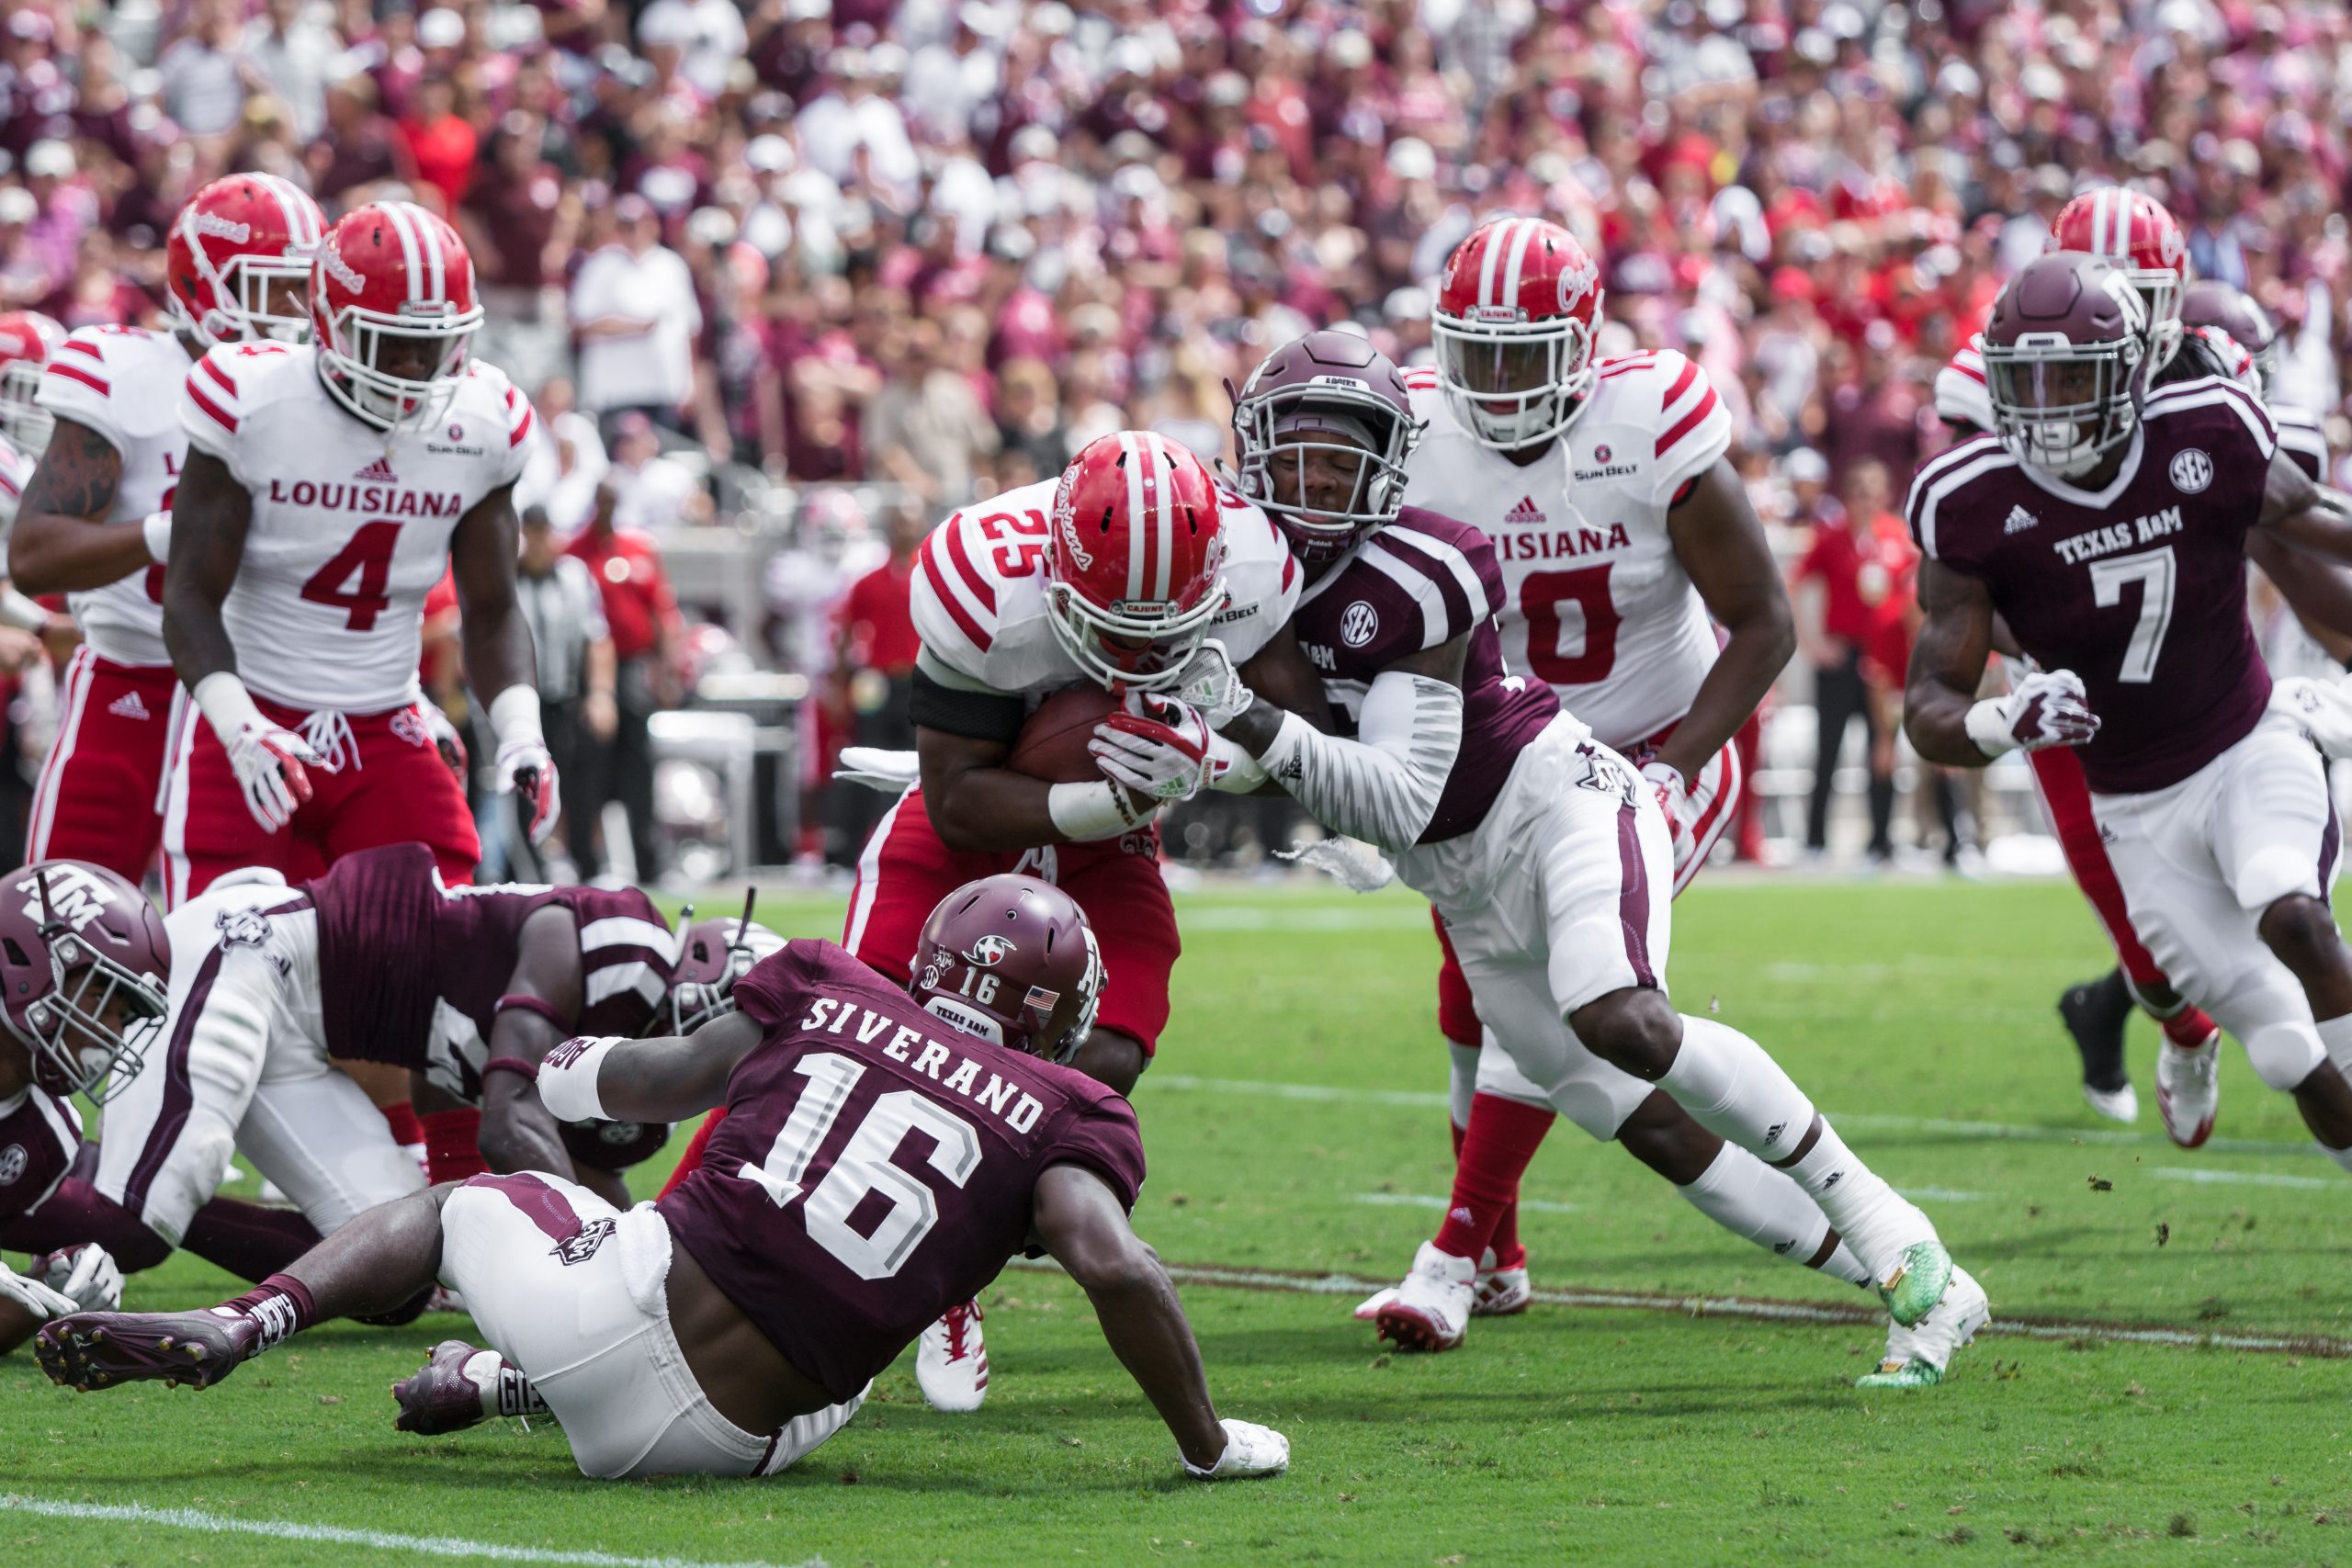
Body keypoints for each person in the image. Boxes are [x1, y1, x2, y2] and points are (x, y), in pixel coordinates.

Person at [1192, 329, 1983, 1388]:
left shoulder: (1426, 564)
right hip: (1459, 883)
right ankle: (1921, 1288)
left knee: (1621, 1014)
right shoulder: (1237, 573)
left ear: (1389, 460)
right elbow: (1276, 756)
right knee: (1636, 1123)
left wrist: (1240, 719)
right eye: (1296, 452)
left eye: (1344, 455)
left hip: (1556, 802)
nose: (1316, 478)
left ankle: (1891, 1225)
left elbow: (1395, 789)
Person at [38, 874, 1292, 1488]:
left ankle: (241, 1316)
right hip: (715, 1446)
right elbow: (1112, 1260)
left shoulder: (824, 983)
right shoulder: (1073, 1103)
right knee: (851, 1352)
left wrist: (554, 1070)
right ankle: (498, 1384)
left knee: (454, 1205)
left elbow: (652, 1080)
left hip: (609, 1308)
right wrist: (1204, 1439)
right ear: (1060, 1014)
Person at [666, 431, 1313, 1413]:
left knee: (1109, 1061)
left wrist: (1218, 762)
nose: (1138, 650)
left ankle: (945, 1274)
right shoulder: (982, 581)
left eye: (1165, 625)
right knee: (818, 1044)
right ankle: (659, 1248)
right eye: (1112, 622)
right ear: (1056, 566)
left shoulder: (1262, 565)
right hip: (964, 827)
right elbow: (958, 796)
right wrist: (1106, 800)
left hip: (1115, 851)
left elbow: (1298, 748)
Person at [1373, 218, 1798, 1318]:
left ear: (1585, 342)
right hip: (1496, 767)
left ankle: (1453, 1256)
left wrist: (1671, 770)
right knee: (1471, 1004)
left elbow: (1761, 622)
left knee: (1567, 983)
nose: (1500, 380)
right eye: (1478, 352)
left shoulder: (1650, 412)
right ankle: (1500, 1257)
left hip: (1659, 743)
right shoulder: (1408, 430)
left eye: (1525, 352)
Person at [1905, 250, 2352, 1179]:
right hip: (2134, 809)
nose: (2049, 404)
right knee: (2275, 1047)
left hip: (2243, 741)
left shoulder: (2207, 429)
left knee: (2293, 911)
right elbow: (1927, 706)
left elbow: (2312, 522)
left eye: (2070, 376)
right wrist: (2005, 720)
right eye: (2024, 382)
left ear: (2128, 372)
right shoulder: (1968, 503)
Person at [1930, 189, 2233, 1132]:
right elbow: (1975, 552)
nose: (2132, 322)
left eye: (2145, 297)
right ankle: (2174, 1023)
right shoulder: (1989, 377)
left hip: (2191, 655)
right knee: (2131, 907)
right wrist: (2057, 639)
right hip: (2064, 670)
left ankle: (2125, 1011)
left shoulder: (2208, 368)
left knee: (2244, 879)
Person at [156, 200, 559, 908]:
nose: (411, 368)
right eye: (389, 342)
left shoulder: (482, 420)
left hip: (385, 720)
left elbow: (491, 609)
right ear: (329, 325)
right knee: (227, 967)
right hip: (255, 713)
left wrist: (522, 732)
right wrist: (239, 725)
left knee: (442, 967)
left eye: (429, 344)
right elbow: (188, 595)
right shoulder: (253, 400)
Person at [90, 840, 689, 1268]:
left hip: (302, 1037)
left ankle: (86, 1170)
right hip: (260, 949)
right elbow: (506, 1125)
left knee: (397, 1265)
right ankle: (49, 1180)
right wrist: (594, 1264)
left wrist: (647, 1266)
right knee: (136, 1227)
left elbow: (455, 1086)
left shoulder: (623, 1030)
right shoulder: (627, 945)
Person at [10, 175, 322, 886]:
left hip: (268, 694)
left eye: (305, 288)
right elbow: (33, 555)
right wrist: (166, 533)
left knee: (250, 956)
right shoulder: (125, 371)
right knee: (65, 944)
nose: (296, 313)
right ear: (203, 280)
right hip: (131, 684)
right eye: (274, 288)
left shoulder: (316, 393)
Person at [1792, 457, 1909, 864]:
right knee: (1828, 751)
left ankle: (1881, 842)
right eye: (1858, 490)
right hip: (1842, 657)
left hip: (1884, 661)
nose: (1865, 498)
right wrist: (1812, 644)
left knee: (1882, 750)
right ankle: (1815, 842)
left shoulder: (1897, 536)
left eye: (1872, 490)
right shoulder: (1831, 536)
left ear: (1885, 494)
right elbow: (1793, 586)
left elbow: (1916, 597)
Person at [565, 475, 682, 881]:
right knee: (588, 768)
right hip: (588, 673)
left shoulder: (638, 550)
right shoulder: (574, 554)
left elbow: (661, 614)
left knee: (639, 769)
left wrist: (666, 671)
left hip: (632, 669)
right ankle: (586, 862)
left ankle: (647, 864)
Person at [514, 503, 615, 880]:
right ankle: (528, 870)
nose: (539, 542)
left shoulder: (575, 576)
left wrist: (601, 693)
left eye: (545, 532)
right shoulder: (507, 577)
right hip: (524, 701)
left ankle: (587, 863)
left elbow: (597, 637)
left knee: (581, 783)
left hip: (567, 696)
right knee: (525, 785)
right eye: (532, 533)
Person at [569, 195, 700, 443]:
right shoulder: (599, 266)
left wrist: (689, 382)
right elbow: (579, 325)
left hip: (663, 385)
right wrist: (635, 327)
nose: (635, 232)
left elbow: (690, 327)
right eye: (627, 226)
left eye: (641, 223)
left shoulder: (672, 266)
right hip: (614, 388)